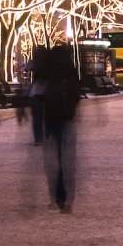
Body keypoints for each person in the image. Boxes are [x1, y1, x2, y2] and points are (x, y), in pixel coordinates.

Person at [41, 44, 81, 214]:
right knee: (67, 160)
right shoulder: (70, 70)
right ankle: (66, 198)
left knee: (55, 159)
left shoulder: (48, 72)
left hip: (52, 119)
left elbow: (41, 94)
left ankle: (58, 196)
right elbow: (76, 94)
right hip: (66, 118)